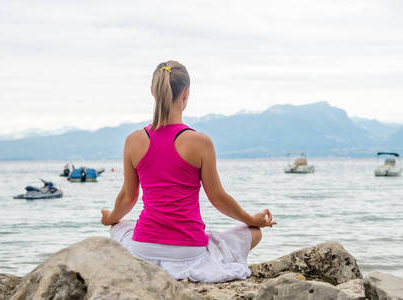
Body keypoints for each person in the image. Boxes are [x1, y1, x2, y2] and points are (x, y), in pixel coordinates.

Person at [100, 60, 276, 283]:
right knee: (254, 233)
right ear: (186, 93)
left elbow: (128, 197)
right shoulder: (200, 142)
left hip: (143, 249)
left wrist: (111, 218)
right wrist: (251, 219)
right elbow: (218, 198)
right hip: (189, 251)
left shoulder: (133, 140)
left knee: (120, 227)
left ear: (153, 92)